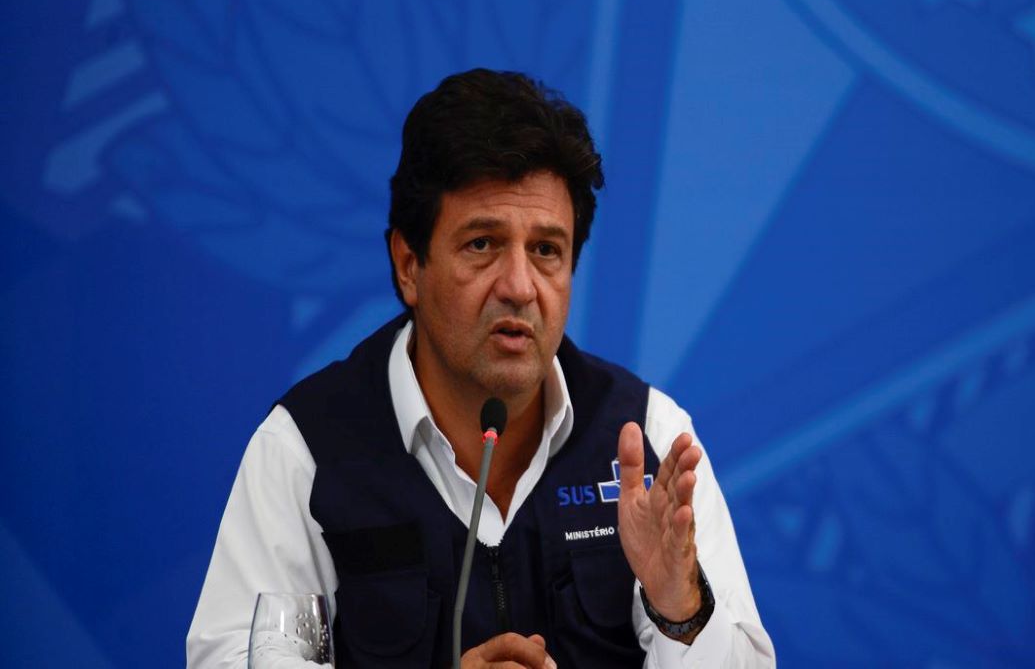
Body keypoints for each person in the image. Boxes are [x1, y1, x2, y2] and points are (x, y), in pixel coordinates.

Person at [187, 69, 776, 668]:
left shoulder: (649, 439)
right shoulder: (307, 451)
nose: (519, 286)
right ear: (409, 265)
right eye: (482, 244)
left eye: (546, 250)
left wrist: (680, 608)